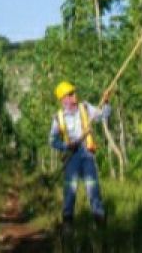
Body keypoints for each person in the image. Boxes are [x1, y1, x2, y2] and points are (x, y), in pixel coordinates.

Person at [48, 80, 110, 225]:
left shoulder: (86, 107)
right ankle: (67, 222)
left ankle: (99, 218)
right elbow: (52, 140)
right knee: (70, 190)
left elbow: (103, 116)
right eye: (71, 94)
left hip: (87, 154)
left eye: (74, 92)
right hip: (71, 157)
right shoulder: (58, 118)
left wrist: (106, 102)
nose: (74, 95)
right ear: (64, 99)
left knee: (92, 187)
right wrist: (66, 146)